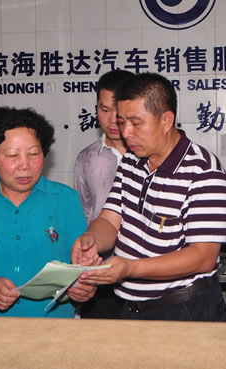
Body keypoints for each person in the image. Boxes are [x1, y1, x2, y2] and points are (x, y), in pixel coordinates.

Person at [72, 73, 226, 322]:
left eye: (136, 123)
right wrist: (90, 240)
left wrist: (131, 267)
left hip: (185, 309)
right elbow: (110, 220)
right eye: (122, 122)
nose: (126, 133)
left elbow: (203, 256)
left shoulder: (203, 171)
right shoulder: (131, 161)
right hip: (132, 307)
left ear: (166, 120)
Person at [0, 107, 93, 317]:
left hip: (53, 327)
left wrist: (84, 287)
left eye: (34, 154)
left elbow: (81, 269)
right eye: (13, 155)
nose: (25, 165)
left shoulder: (65, 200)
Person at [74, 69, 133, 318]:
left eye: (119, 111)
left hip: (145, 271)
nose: (112, 119)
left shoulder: (150, 155)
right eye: (104, 109)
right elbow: (86, 213)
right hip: (100, 270)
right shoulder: (86, 159)